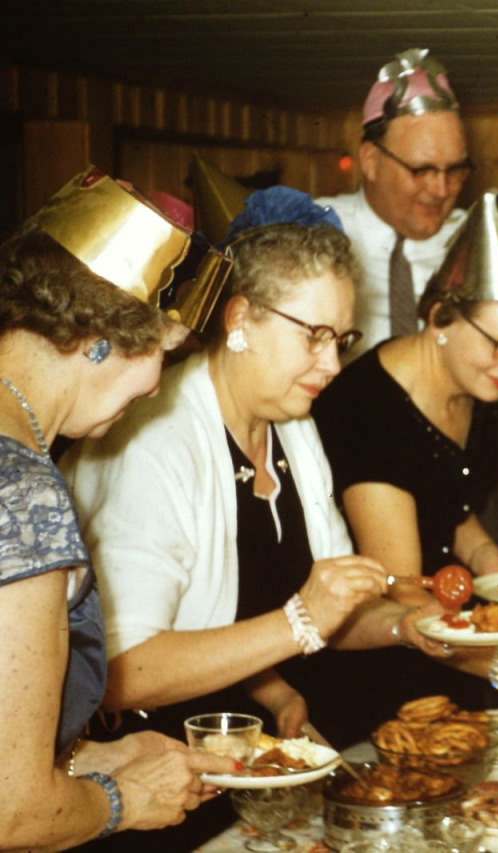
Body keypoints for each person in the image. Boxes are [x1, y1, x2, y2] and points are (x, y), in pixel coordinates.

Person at [0, 169, 238, 849]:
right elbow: (11, 810)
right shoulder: (20, 489)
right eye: (162, 354)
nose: (157, 384)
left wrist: (93, 757)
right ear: (99, 334)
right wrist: (123, 798)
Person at [312, 190, 498, 722]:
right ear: (440, 318)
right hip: (381, 670)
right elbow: (404, 593)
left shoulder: (472, 384)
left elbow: (446, 501)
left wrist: (489, 559)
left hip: (448, 644)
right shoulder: (370, 412)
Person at [316, 47, 498, 557]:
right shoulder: (316, 232)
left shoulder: (479, 238)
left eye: (456, 170)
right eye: (422, 170)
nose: (442, 190)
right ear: (370, 159)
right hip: (340, 468)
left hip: (466, 469)